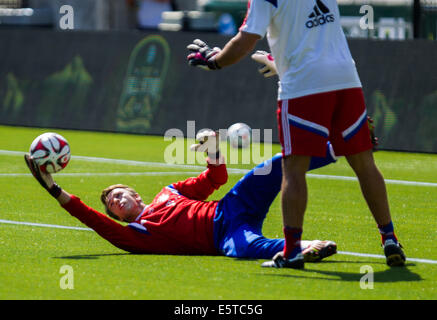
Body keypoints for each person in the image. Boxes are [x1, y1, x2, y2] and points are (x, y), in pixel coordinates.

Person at [186, 0, 405, 268]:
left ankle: (292, 252)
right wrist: (280, 62)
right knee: (364, 164)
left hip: (303, 86)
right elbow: (308, 34)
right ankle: (389, 237)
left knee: (294, 169)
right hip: (347, 80)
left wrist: (215, 62)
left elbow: (246, 40)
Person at [24, 130, 338, 262]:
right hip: (223, 236)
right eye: (112, 206)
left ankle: (339, 146)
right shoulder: (136, 236)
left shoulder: (168, 192)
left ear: (135, 194)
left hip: (231, 206)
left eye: (119, 195)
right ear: (118, 218)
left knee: (269, 168)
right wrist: (53, 189)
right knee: (247, 249)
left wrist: (213, 152)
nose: (116, 202)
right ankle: (307, 247)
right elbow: (90, 218)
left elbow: (216, 178)